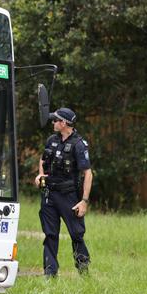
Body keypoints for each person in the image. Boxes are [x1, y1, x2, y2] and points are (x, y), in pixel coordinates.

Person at [34, 107, 93, 277]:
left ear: (64, 123)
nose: (52, 123)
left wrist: (84, 201)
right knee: (50, 234)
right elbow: (42, 159)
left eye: (55, 120)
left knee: (76, 234)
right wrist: (41, 174)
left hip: (69, 197)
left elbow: (88, 173)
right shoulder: (52, 140)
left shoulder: (79, 145)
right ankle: (50, 275)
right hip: (49, 195)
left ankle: (83, 271)